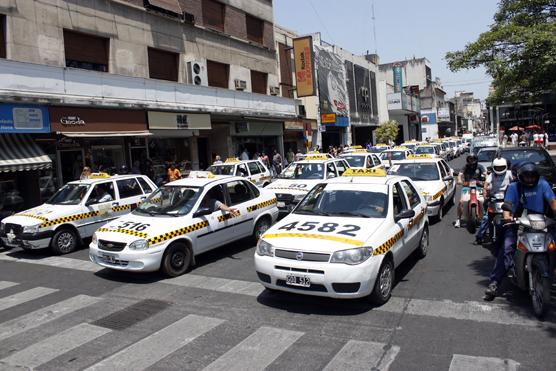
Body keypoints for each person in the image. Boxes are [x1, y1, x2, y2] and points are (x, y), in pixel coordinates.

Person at [484, 162, 556, 300]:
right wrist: (508, 218)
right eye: (526, 177)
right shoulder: (513, 187)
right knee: (507, 249)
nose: (529, 179)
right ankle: (495, 282)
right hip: (519, 222)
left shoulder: (543, 184)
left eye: (532, 176)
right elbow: (508, 206)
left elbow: (553, 201)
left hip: (540, 222)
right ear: (521, 177)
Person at [475, 158, 513, 244]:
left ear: (505, 167)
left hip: (507, 199)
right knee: (486, 218)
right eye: (497, 167)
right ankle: (479, 236)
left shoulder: (509, 173)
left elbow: (514, 182)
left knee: (514, 217)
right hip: (493, 199)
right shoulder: (492, 175)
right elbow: (486, 184)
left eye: (501, 167)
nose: (499, 169)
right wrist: (485, 194)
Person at [454, 154, 485, 228]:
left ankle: (484, 217)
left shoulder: (480, 167)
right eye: (470, 159)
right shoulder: (465, 167)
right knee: (461, 202)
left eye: (473, 159)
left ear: (476, 159)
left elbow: (485, 173)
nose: (471, 161)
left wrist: (486, 179)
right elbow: (460, 174)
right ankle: (459, 219)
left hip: (478, 186)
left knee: (484, 200)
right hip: (467, 186)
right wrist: (459, 179)